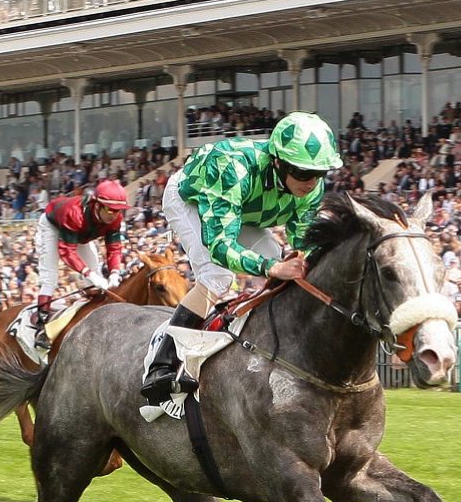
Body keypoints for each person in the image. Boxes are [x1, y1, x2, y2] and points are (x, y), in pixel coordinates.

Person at [141, 112, 340, 410]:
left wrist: (296, 261)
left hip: (243, 209)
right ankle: (162, 364)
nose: (311, 183)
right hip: (193, 199)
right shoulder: (231, 167)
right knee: (218, 276)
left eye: (319, 174)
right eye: (302, 172)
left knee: (285, 270)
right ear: (278, 162)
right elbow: (221, 245)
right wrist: (270, 267)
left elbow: (302, 245)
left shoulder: (311, 189)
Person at [30, 179, 128, 346]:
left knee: (96, 276)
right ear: (97, 204)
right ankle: (41, 325)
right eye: (110, 210)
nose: (114, 215)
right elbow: (67, 251)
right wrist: (88, 273)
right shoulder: (74, 213)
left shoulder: (115, 219)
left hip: (82, 233)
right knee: (50, 276)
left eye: (119, 211)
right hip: (53, 225)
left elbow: (114, 248)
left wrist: (114, 273)